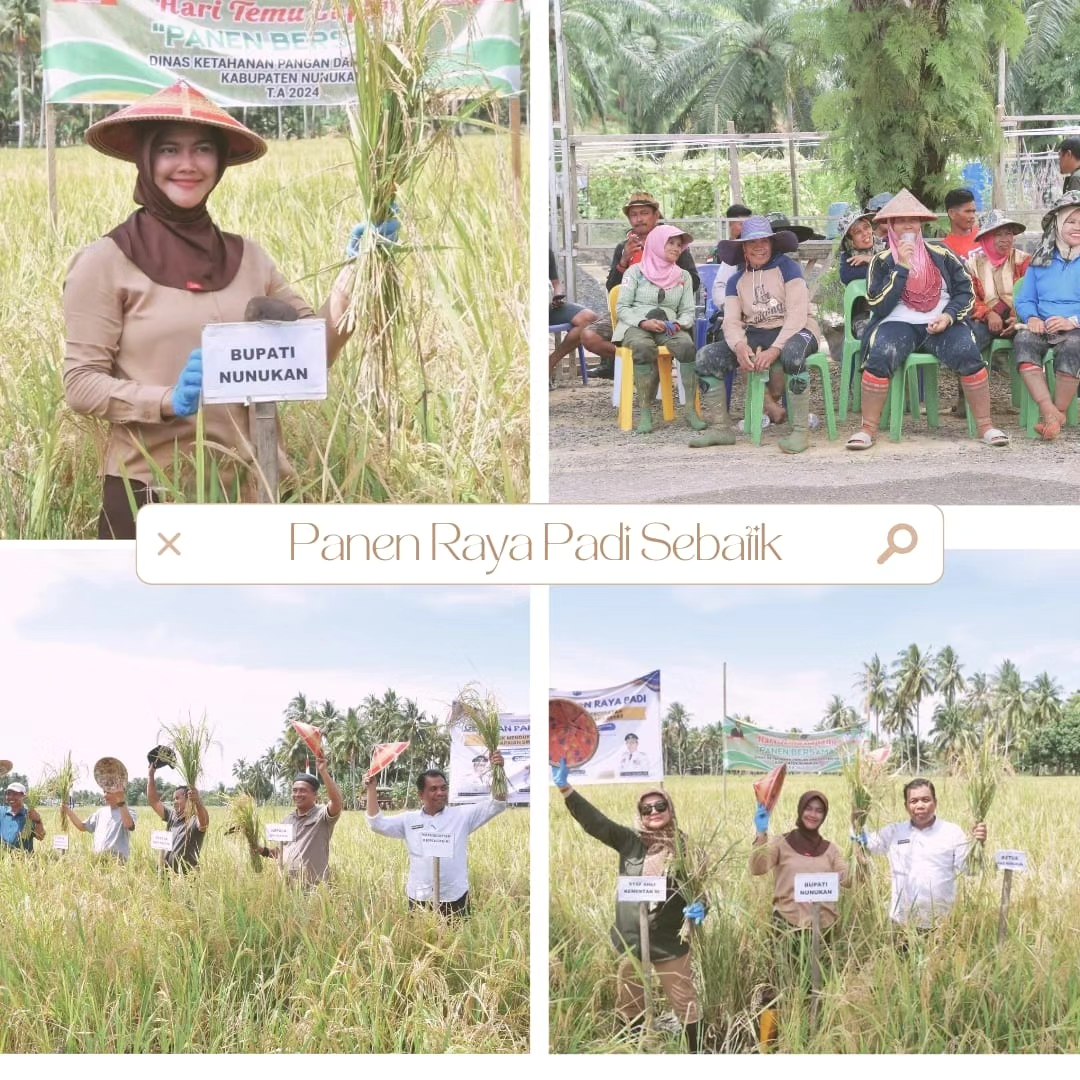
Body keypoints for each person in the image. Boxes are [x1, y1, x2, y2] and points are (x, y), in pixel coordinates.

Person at [64, 80, 360, 539]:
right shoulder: (105, 262)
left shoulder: (249, 258)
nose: (187, 164)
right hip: (151, 495)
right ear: (146, 159)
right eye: (168, 150)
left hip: (251, 490)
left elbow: (310, 354)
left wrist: (359, 272)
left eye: (203, 149)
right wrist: (167, 400)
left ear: (219, 161)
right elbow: (80, 384)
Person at [552, 761, 705, 1052]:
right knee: (630, 1003)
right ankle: (631, 1051)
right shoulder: (629, 842)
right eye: (647, 809)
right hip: (631, 940)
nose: (654, 812)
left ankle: (695, 1053)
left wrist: (701, 907)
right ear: (640, 814)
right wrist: (566, 789)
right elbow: (597, 823)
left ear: (670, 808)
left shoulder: (687, 847)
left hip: (671, 941)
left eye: (660, 806)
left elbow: (700, 889)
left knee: (685, 1002)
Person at [845, 189, 1008, 450]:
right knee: (880, 352)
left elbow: (965, 291)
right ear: (890, 226)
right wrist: (902, 267)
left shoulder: (942, 253)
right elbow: (879, 303)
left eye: (913, 219)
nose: (908, 225)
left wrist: (949, 316)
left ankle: (986, 426)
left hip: (941, 320)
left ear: (921, 224)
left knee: (968, 352)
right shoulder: (881, 261)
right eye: (900, 220)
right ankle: (868, 429)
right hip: (897, 322)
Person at [691, 215, 821, 454]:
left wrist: (775, 349)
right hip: (758, 332)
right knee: (706, 358)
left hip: (798, 329)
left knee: (792, 355)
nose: (759, 247)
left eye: (764, 241)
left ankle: (800, 431)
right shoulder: (735, 280)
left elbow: (797, 315)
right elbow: (730, 321)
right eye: (752, 243)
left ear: (772, 244)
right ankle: (721, 428)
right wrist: (739, 346)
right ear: (743, 248)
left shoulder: (788, 269)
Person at [365, 753, 507, 917]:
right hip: (420, 898)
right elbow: (376, 823)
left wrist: (498, 770)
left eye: (443, 788)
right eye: (433, 789)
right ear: (420, 795)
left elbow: (498, 803)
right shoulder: (409, 820)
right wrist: (371, 788)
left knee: (458, 941)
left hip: (455, 896)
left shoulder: (462, 815)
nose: (440, 792)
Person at [580, 192, 700, 379]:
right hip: (631, 313)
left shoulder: (673, 242)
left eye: (644, 213)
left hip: (665, 313)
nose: (639, 219)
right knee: (589, 336)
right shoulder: (624, 246)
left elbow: (694, 281)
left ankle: (646, 366)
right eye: (634, 215)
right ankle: (642, 364)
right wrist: (623, 261)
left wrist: (668, 276)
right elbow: (612, 289)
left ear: (655, 215)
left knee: (678, 339)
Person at [854, 778, 986, 930]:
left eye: (925, 800)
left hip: (941, 924)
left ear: (935, 802)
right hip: (902, 921)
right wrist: (857, 823)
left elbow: (970, 870)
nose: (920, 806)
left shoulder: (952, 832)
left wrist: (979, 844)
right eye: (914, 801)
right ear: (906, 806)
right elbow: (866, 845)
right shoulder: (894, 832)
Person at [613, 224, 699, 434]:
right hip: (636, 323)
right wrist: (643, 322)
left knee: (687, 347)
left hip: (668, 325)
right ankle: (645, 412)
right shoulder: (635, 272)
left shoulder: (683, 276)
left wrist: (679, 324)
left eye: (679, 245)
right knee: (642, 347)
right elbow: (622, 307)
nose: (676, 248)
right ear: (657, 244)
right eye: (671, 243)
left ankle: (690, 411)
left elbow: (688, 310)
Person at [1012, 191, 1080, 439]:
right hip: (1043, 325)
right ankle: (1049, 411)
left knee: (1074, 345)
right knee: (1024, 341)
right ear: (1058, 224)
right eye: (1071, 221)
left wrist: (1072, 320)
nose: (1076, 228)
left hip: (1076, 327)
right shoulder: (1040, 260)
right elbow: (1025, 298)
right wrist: (1032, 318)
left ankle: (1058, 412)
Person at [750, 790, 848, 934]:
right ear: (800, 809)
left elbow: (848, 879)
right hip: (787, 927)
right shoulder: (782, 843)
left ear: (824, 816)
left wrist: (862, 854)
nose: (813, 815)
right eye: (808, 808)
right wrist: (761, 833)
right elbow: (758, 868)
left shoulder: (830, 849)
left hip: (824, 929)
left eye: (819, 811)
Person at [254, 756, 342, 885]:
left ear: (315, 795)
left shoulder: (322, 815)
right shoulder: (288, 820)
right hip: (288, 887)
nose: (297, 794)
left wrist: (323, 771)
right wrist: (262, 850)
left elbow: (337, 802)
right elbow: (281, 853)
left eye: (302, 790)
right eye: (294, 791)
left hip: (314, 888)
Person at [966, 210, 1030, 354]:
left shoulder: (1023, 261)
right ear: (986, 239)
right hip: (985, 320)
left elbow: (1031, 294)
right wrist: (988, 314)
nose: (1005, 239)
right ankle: (974, 371)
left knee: (1026, 338)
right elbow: (970, 297)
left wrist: (1017, 318)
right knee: (970, 338)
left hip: (1019, 317)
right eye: (997, 234)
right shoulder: (973, 265)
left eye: (1008, 233)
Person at [147, 758, 209, 872]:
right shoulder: (172, 816)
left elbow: (204, 823)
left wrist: (198, 801)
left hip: (186, 881)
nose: (174, 802)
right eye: (173, 799)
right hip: (166, 878)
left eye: (177, 798)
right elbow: (154, 801)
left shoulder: (195, 820)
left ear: (189, 798)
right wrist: (151, 775)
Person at [549, 247, 598, 387]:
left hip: (548, 308)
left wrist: (556, 296)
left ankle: (550, 362)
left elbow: (556, 284)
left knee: (589, 318)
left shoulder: (544, 249)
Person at [837, 209, 879, 339]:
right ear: (851, 240)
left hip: (890, 311)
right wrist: (879, 267)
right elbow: (847, 276)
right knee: (867, 335)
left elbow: (896, 269)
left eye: (866, 227)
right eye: (857, 232)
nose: (865, 233)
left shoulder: (886, 247)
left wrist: (871, 260)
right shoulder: (848, 257)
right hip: (862, 314)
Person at [63, 788, 136, 862]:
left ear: (118, 793)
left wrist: (121, 801)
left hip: (118, 863)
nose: (105, 795)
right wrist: (68, 811)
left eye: (108, 792)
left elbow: (129, 825)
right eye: (104, 792)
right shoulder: (100, 812)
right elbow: (82, 826)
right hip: (98, 861)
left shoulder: (128, 811)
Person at [710, 204, 754, 289]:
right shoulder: (717, 252)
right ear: (729, 224)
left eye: (748, 224)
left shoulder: (754, 253)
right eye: (741, 224)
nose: (746, 228)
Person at [1, 782, 45, 852]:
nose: (11, 797)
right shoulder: (2, 811)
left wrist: (38, 821)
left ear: (24, 796)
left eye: (15, 794)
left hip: (23, 860)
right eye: (8, 793)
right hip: (4, 860)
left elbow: (40, 837)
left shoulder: (30, 815)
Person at [941, 189, 980, 260]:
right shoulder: (945, 249)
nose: (972, 216)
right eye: (967, 211)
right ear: (952, 213)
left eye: (973, 211)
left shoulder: (983, 235)